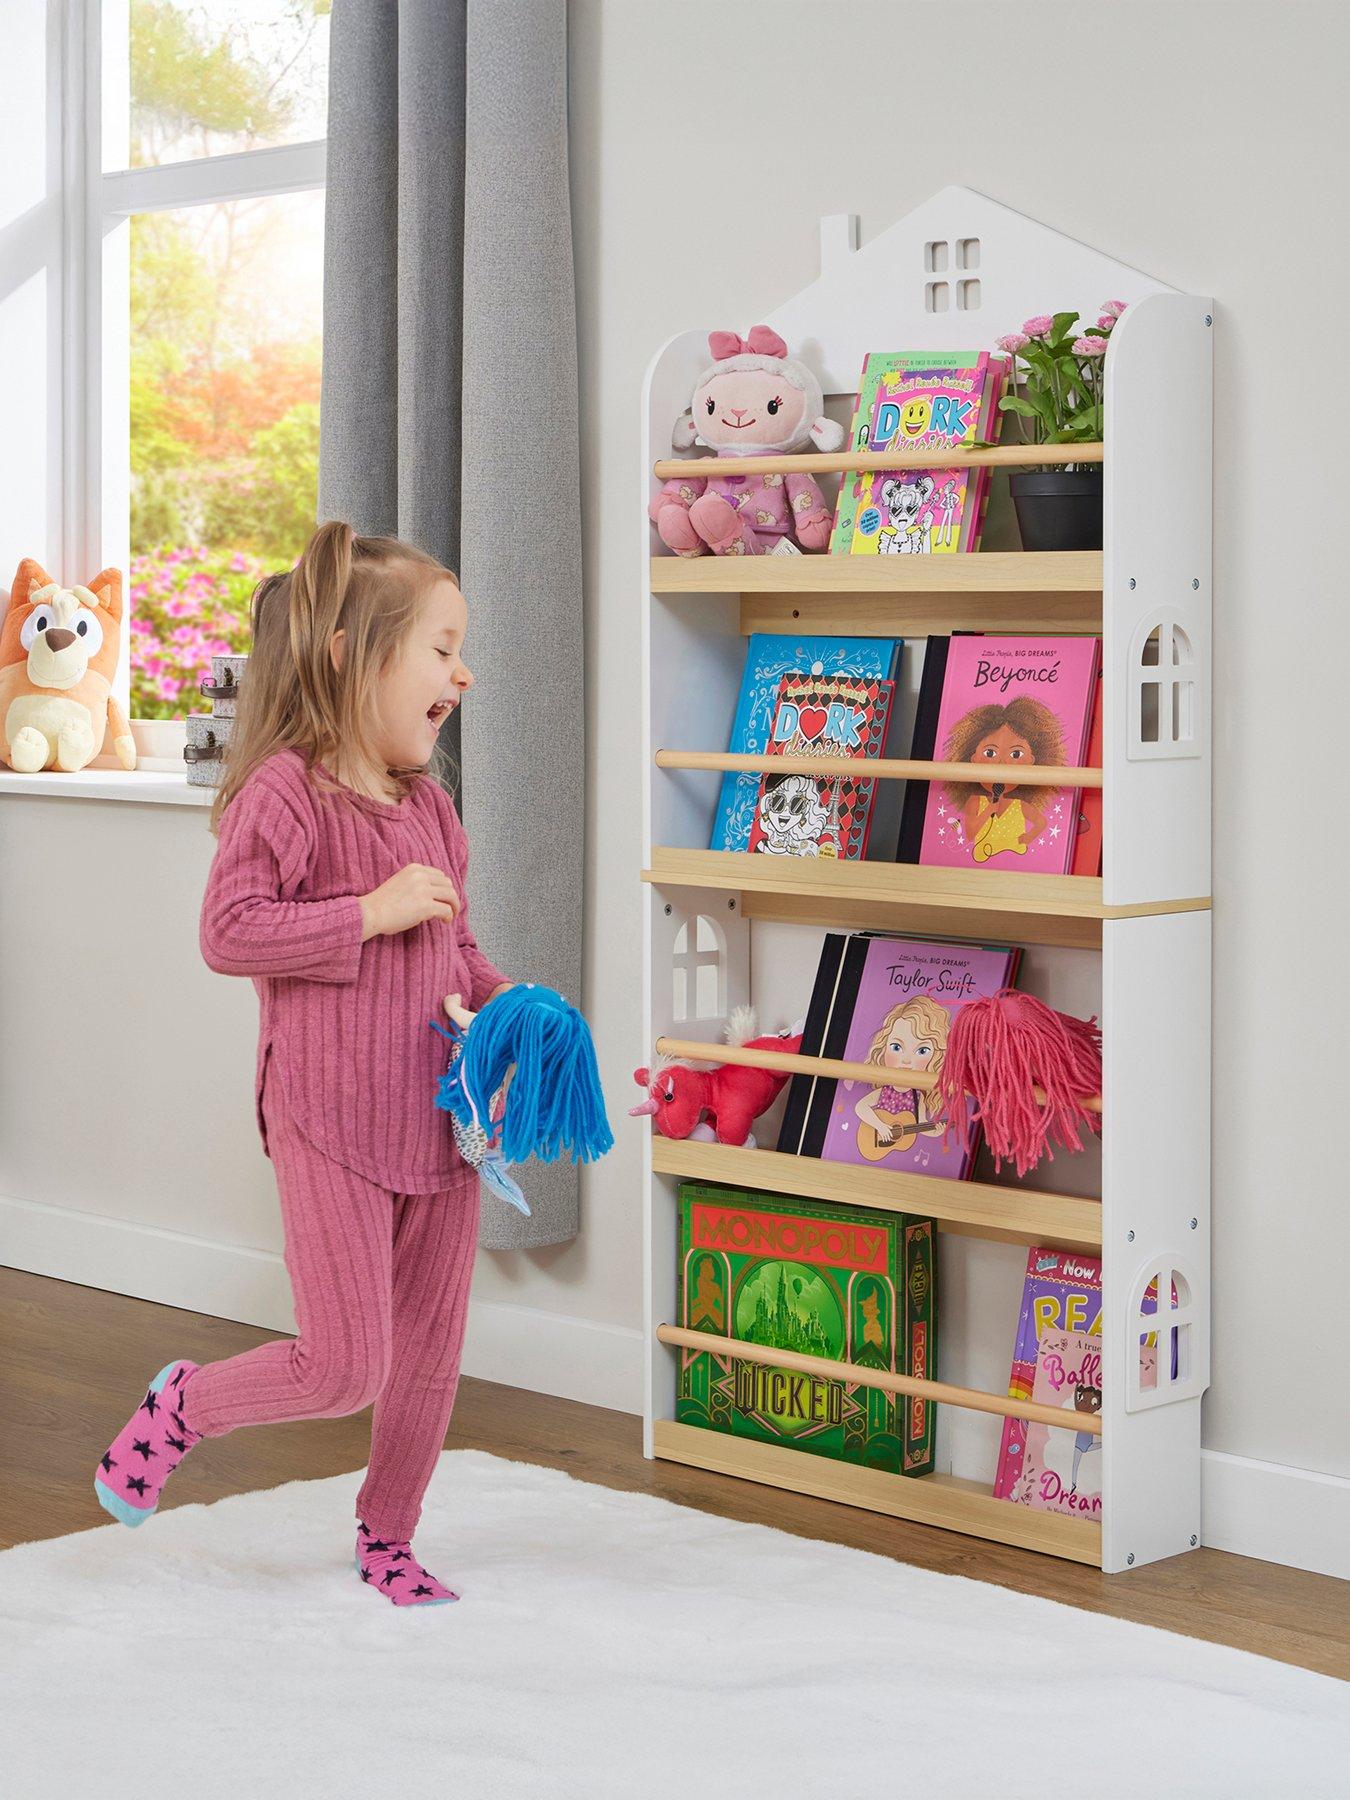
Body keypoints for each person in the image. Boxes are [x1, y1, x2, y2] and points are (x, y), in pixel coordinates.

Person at [94, 521, 513, 1608]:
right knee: (342, 1366)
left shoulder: (431, 805)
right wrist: (366, 914)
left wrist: (517, 1015)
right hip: (328, 1119)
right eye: (440, 647)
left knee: (425, 1361)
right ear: (352, 657)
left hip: (443, 1124)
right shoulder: (284, 794)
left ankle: (389, 1536)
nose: (463, 673)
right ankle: (182, 1404)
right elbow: (229, 932)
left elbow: (458, 945)